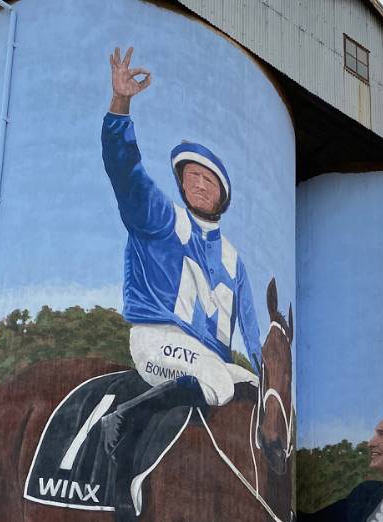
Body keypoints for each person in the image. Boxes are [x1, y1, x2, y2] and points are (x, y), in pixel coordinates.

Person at [100, 47, 262, 457]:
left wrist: (267, 374)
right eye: (191, 177)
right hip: (158, 340)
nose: (199, 185)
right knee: (219, 381)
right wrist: (121, 105)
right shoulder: (161, 216)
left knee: (256, 392)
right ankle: (123, 416)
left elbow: (250, 329)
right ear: (181, 185)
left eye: (208, 179)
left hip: (209, 358)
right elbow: (126, 173)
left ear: (222, 194)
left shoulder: (233, 258)